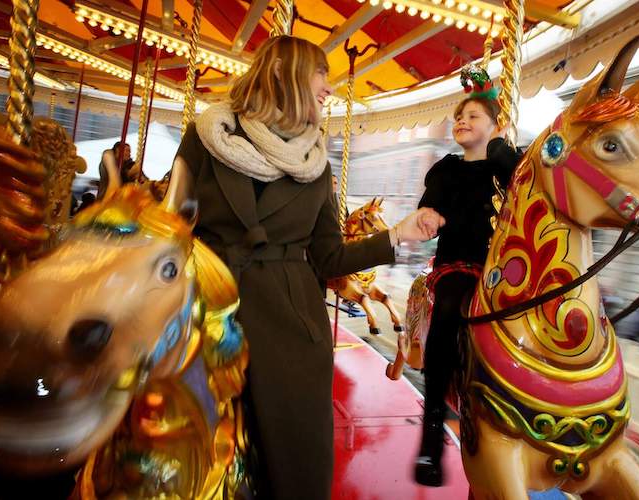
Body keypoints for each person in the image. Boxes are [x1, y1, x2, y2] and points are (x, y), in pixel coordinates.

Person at [175, 35, 443, 500]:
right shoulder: (207, 136)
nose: (329, 87)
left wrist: (397, 234)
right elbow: (170, 221)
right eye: (321, 73)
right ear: (284, 72)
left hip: (289, 323)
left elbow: (329, 258)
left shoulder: (315, 165)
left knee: (294, 463)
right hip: (208, 305)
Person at [414, 96, 522, 486]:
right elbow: (429, 206)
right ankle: (431, 434)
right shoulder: (447, 168)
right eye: (459, 116)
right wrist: (428, 216)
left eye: (473, 116)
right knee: (448, 309)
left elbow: (527, 181)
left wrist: (500, 147)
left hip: (505, 269)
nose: (462, 120)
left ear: (496, 125)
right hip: (461, 264)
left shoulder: (507, 165)